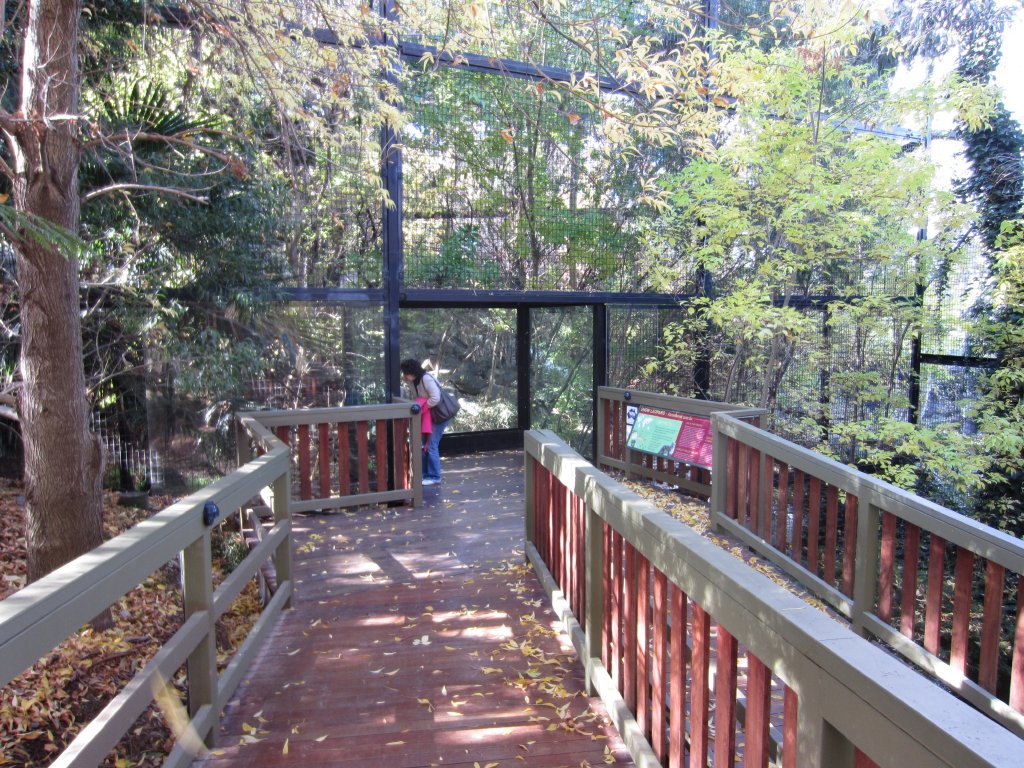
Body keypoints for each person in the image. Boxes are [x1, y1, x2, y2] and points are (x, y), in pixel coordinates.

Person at [400, 358, 450, 486]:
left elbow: (436, 398)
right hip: (428, 416)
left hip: (439, 416)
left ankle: (435, 476)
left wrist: (422, 408)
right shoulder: (413, 382)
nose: (404, 375)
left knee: (431, 445)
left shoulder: (426, 379)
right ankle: (425, 475)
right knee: (423, 445)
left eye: (405, 372)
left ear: (411, 371)